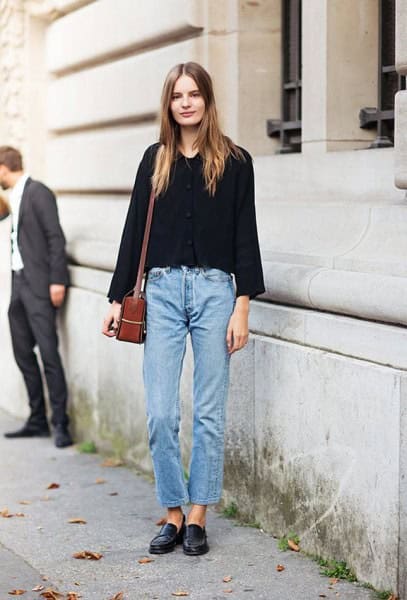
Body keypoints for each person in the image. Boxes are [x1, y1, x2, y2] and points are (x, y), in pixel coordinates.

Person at [102, 62, 265, 555]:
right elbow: (135, 232)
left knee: (210, 411)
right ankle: (171, 511)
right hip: (164, 294)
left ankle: (198, 515)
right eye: (178, 96)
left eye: (194, 94)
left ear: (207, 100)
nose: (187, 102)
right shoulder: (155, 160)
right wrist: (116, 298)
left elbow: (245, 237)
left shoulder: (236, 161)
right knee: (160, 412)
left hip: (217, 292)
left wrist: (242, 308)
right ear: (169, 104)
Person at [0, 146, 73, 448]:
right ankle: (37, 420)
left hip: (41, 286)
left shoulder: (38, 192)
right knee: (22, 353)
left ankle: (61, 425)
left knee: (49, 354)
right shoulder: (12, 197)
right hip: (19, 285)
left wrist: (58, 280)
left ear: (3, 168)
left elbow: (56, 237)